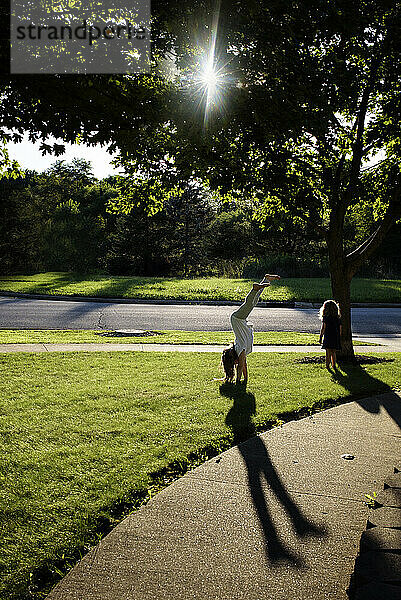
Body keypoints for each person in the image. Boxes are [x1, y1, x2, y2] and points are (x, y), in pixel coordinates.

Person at [221, 274, 281, 385]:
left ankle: (255, 289)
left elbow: (240, 367)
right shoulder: (240, 350)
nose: (236, 364)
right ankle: (266, 279)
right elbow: (244, 366)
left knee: (249, 304)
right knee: (253, 303)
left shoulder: (240, 350)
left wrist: (238, 381)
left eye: (233, 364)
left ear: (234, 360)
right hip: (238, 320)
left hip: (237, 319)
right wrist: (246, 379)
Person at [319, 300, 342, 369]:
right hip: (335, 336)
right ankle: (334, 365)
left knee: (328, 352)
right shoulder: (338, 318)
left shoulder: (326, 318)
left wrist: (320, 337)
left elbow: (323, 328)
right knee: (333, 352)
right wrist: (339, 336)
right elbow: (340, 328)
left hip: (328, 336)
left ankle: (327, 365)